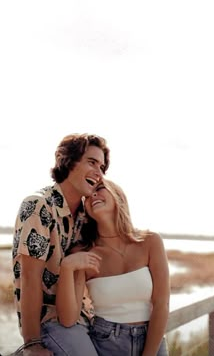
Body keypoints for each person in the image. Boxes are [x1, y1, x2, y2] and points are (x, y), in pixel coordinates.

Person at [12, 133, 110, 356]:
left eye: (102, 167)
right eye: (92, 162)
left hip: (84, 318)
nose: (99, 172)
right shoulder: (39, 205)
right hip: (49, 323)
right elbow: (30, 279)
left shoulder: (87, 214)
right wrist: (32, 343)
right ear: (66, 160)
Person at [56, 179, 170, 356]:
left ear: (118, 196)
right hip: (106, 343)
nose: (93, 194)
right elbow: (68, 319)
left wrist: (148, 354)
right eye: (88, 195)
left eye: (100, 188)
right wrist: (67, 267)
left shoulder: (151, 241)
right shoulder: (84, 252)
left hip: (153, 341)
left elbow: (161, 303)